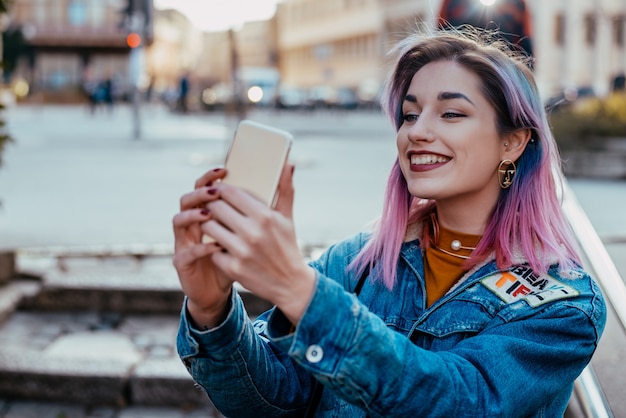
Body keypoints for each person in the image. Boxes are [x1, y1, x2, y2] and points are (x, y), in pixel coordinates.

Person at [173, 28, 606, 417]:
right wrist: (212, 311)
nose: (416, 132)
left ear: (512, 142)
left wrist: (299, 291)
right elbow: (269, 402)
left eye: (451, 114)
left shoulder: (561, 303)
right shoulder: (356, 261)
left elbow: (460, 400)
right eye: (410, 114)